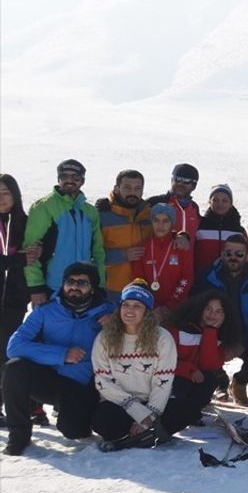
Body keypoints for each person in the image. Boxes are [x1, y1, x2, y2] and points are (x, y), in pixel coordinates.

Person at [2, 263, 112, 455]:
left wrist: (117, 325)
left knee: (73, 431)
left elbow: (140, 330)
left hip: (84, 384)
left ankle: (82, 416)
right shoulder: (45, 310)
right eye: (70, 281)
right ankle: (18, 437)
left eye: (82, 282)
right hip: (51, 379)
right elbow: (14, 346)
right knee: (15, 368)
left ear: (93, 287)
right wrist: (61, 354)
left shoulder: (109, 312)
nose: (74, 286)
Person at [89, 282, 181, 441]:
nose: (129, 310)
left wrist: (150, 415)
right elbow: (103, 382)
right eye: (126, 305)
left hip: (151, 400)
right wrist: (137, 411)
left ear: (147, 312)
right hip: (119, 402)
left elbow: (163, 381)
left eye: (137, 306)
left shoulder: (163, 338)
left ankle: (147, 430)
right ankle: (142, 434)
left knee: (186, 411)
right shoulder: (105, 338)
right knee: (103, 423)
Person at [197, 235, 248, 406]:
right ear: (222, 254)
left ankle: (239, 382)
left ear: (247, 255)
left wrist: (242, 344)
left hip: (245, 334)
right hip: (215, 333)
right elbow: (198, 310)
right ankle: (218, 382)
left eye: (239, 254)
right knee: (199, 349)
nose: (233, 258)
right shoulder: (208, 277)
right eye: (229, 253)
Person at [23, 159, 105, 307]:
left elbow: (98, 251)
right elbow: (30, 250)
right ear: (58, 179)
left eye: (75, 177)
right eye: (64, 176)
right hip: (52, 288)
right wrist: (36, 287)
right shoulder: (44, 207)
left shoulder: (89, 211)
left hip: (84, 288)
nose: (70, 180)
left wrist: (100, 284)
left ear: (82, 181)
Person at [166, 289, 242, 428]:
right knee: (181, 384)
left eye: (218, 311)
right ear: (200, 309)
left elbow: (209, 366)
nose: (212, 314)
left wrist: (210, 331)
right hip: (174, 377)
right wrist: (190, 370)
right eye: (208, 309)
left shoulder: (222, 334)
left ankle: (191, 412)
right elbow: (164, 362)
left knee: (210, 380)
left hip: (198, 377)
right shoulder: (180, 329)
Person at [96, 169, 151, 298]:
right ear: (116, 188)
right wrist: (123, 255)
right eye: (127, 188)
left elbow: (165, 236)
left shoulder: (149, 215)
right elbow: (91, 254)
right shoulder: (101, 216)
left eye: (137, 188)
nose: (132, 192)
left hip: (142, 290)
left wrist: (181, 236)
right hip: (110, 291)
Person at [133, 203, 194, 315]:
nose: (160, 225)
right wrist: (153, 305)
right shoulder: (143, 247)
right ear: (151, 222)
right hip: (150, 308)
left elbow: (187, 278)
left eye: (166, 221)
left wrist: (171, 305)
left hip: (176, 308)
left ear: (172, 223)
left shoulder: (181, 247)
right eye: (156, 220)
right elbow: (139, 279)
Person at [0, 175, 31, 377]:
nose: (1, 198)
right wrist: (17, 259)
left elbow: (37, 258)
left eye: (5, 193)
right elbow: (22, 259)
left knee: (7, 352)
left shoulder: (25, 223)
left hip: (14, 300)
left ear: (15, 195)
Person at [195, 184, 248, 276]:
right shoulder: (200, 227)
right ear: (209, 202)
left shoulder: (238, 230)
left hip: (230, 281)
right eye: (215, 200)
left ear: (231, 204)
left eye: (225, 200)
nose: (220, 204)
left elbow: (247, 257)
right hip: (202, 280)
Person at [144, 163, 201, 247]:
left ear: (194, 186)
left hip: (186, 258)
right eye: (177, 179)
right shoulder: (155, 202)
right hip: (158, 257)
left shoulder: (194, 208)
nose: (180, 184)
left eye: (186, 181)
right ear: (171, 180)